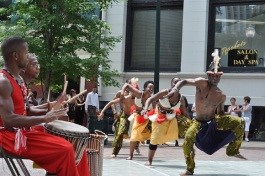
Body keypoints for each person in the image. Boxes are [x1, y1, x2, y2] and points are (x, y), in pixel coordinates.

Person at [0, 36, 89, 176]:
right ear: (15, 56)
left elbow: (26, 110)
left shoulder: (17, 79)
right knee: (65, 149)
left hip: (22, 131)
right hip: (9, 137)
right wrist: (45, 118)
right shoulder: (3, 81)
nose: (28, 55)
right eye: (26, 52)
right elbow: (9, 120)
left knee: (78, 145)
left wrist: (49, 108)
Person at [167, 50, 246, 175]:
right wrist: (176, 88)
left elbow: (220, 113)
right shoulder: (201, 83)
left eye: (217, 76)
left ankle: (232, 150)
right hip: (197, 122)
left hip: (213, 121)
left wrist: (230, 119)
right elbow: (184, 81)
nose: (214, 78)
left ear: (220, 76)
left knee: (241, 122)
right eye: (212, 76)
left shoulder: (221, 95)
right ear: (208, 75)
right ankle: (190, 169)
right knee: (188, 139)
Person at [142, 77, 190, 166]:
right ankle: (149, 160)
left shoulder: (181, 99)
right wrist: (145, 109)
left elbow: (184, 112)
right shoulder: (165, 92)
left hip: (171, 118)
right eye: (175, 82)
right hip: (159, 117)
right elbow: (151, 99)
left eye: (178, 83)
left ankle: (191, 153)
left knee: (188, 130)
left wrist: (191, 124)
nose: (176, 84)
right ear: (171, 84)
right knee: (155, 138)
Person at [120, 80, 155, 160]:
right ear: (145, 88)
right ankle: (131, 155)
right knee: (134, 135)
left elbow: (155, 108)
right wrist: (122, 92)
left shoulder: (152, 98)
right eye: (150, 87)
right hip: (138, 117)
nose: (151, 89)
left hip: (148, 118)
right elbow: (126, 85)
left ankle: (150, 157)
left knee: (153, 135)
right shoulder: (139, 94)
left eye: (152, 88)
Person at [98, 88, 134, 157]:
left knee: (134, 135)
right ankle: (115, 151)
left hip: (132, 117)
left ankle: (136, 146)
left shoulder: (137, 98)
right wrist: (102, 112)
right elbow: (111, 102)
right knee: (119, 133)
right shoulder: (123, 97)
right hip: (123, 117)